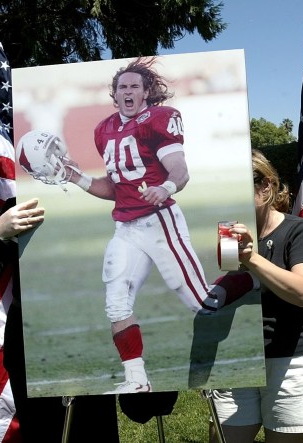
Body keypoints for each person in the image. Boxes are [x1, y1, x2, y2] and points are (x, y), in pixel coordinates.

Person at [60, 56, 255, 394]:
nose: (129, 91)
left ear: (147, 91)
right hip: (125, 229)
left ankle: (254, 280)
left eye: (135, 85)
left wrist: (165, 187)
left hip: (159, 221)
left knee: (203, 303)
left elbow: (179, 168)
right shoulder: (103, 130)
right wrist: (76, 177)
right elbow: (115, 188)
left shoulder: (160, 119)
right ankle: (137, 381)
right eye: (123, 87)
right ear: (114, 94)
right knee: (116, 303)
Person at [0, 197, 120, 441]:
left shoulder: (101, 201)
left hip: (91, 342)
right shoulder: (23, 205)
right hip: (32, 349)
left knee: (95, 430)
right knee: (44, 432)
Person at [209, 150, 303, 443]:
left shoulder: (298, 230)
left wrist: (253, 258)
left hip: (291, 362)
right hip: (237, 360)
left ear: (267, 185)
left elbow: (301, 292)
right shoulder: (225, 234)